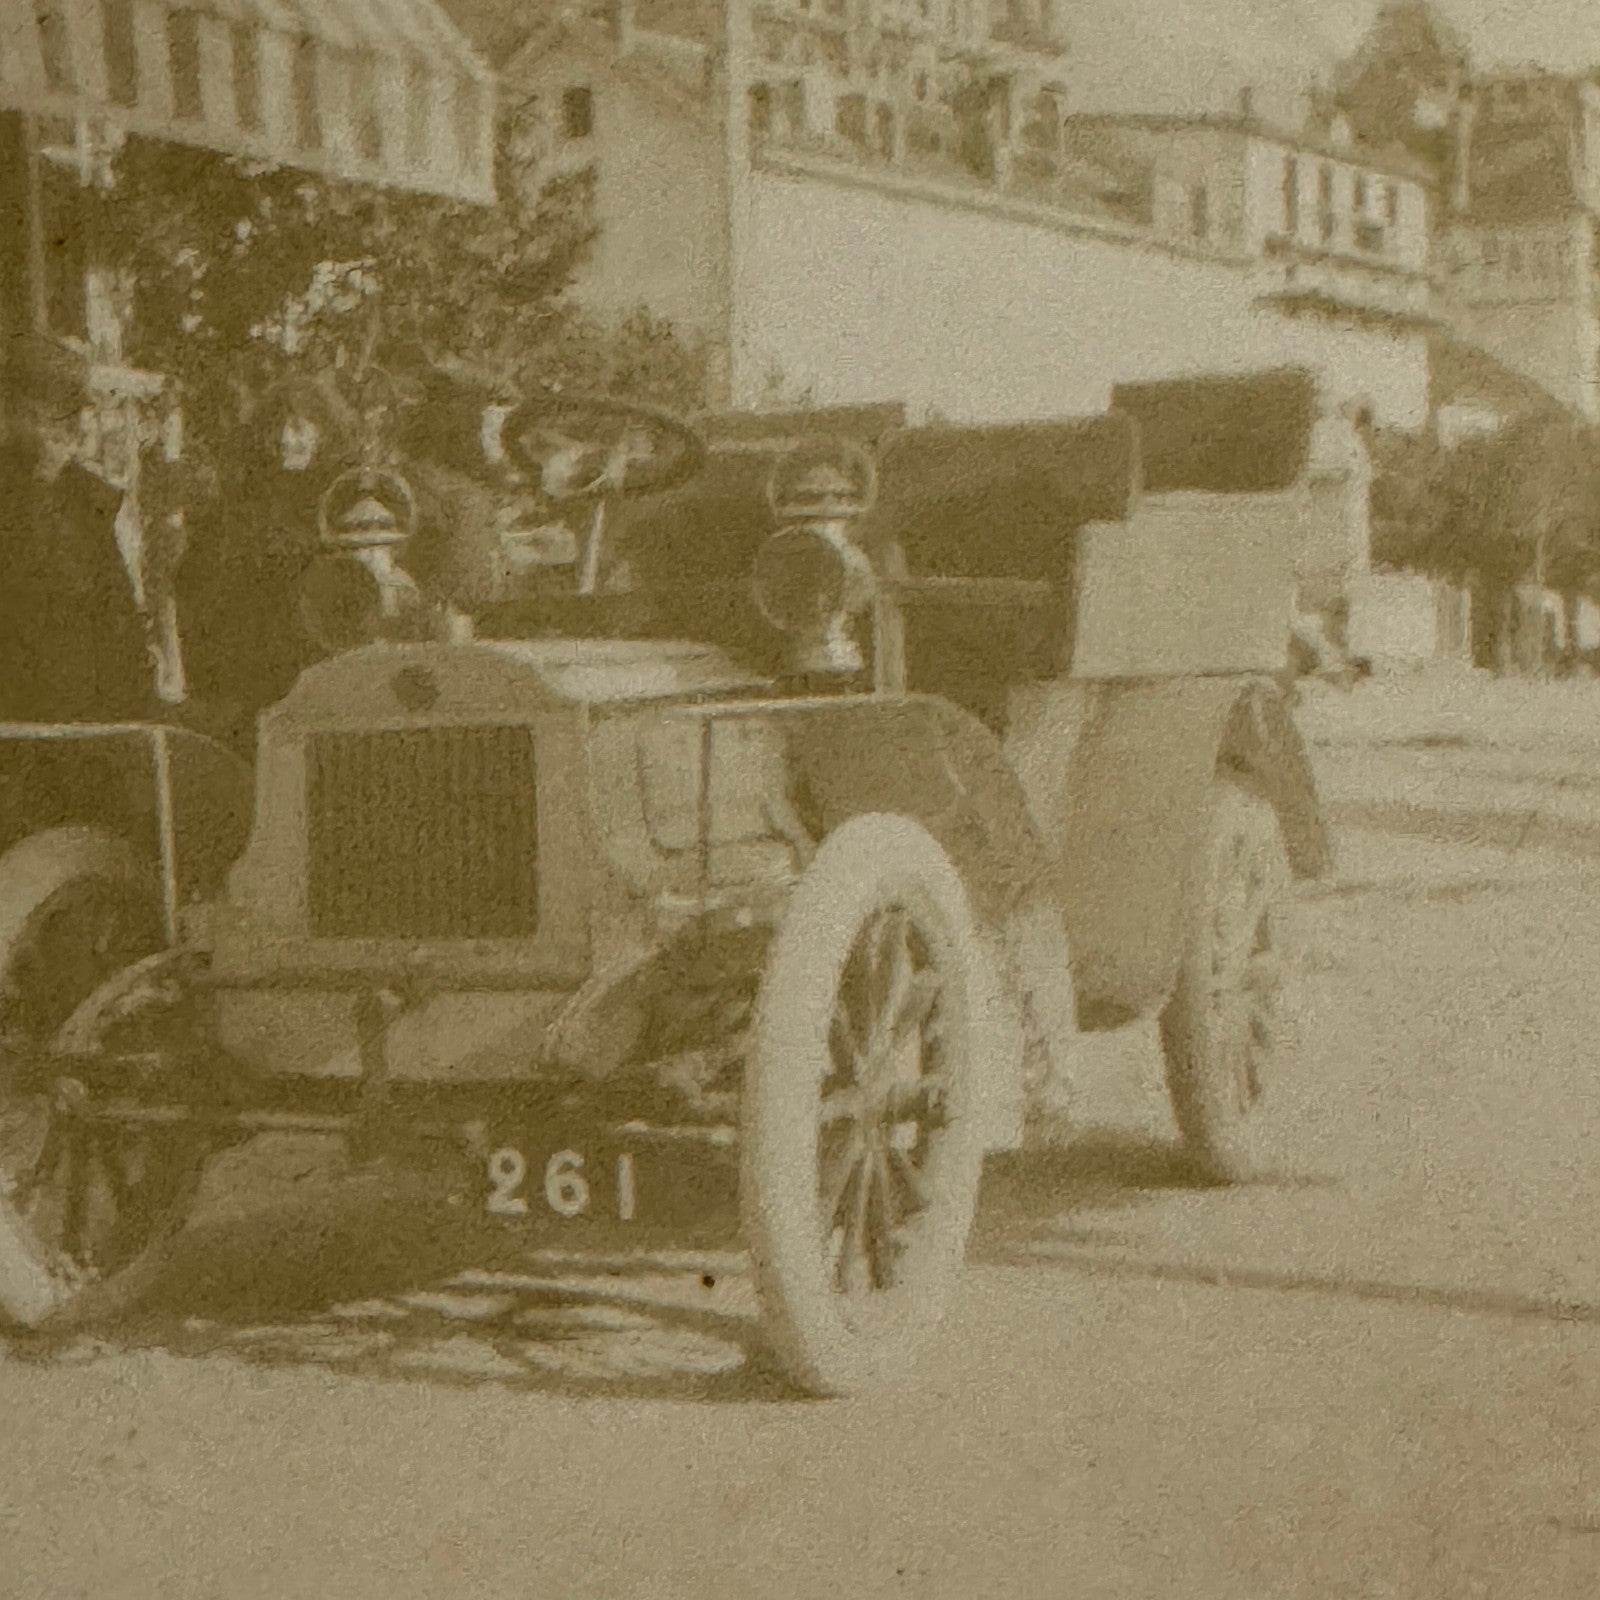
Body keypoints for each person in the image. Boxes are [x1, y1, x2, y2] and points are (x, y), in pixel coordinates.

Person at [0, 336, 158, 724]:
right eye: (51, 415)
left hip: (88, 721)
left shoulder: (88, 502)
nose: (68, 432)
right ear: (13, 412)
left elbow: (116, 614)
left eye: (72, 415)